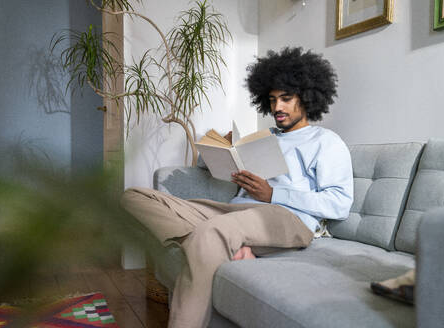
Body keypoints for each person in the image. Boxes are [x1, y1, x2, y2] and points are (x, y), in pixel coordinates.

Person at [121, 47, 354, 328]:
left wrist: (272, 194)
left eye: (286, 99)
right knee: (133, 196)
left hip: (285, 217)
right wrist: (223, 147)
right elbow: (209, 168)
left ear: (307, 96)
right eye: (272, 100)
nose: (277, 108)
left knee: (211, 232)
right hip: (234, 213)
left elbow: (340, 204)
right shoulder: (264, 136)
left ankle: (211, 243)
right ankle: (213, 243)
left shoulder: (325, 141)